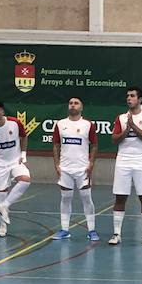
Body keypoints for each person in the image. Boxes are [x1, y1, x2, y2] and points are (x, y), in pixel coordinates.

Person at [110, 87, 142, 246]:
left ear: (140, 99)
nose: (129, 98)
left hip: (141, 160)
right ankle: (116, 234)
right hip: (123, 160)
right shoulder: (120, 118)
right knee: (120, 197)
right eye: (128, 96)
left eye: (132, 96)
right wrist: (126, 130)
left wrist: (133, 127)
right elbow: (114, 140)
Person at [0, 101, 31, 238]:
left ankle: (5, 205)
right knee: (1, 194)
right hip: (0, 164)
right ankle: (2, 227)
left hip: (15, 161)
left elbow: (24, 136)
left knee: (25, 180)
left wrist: (23, 154)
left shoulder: (14, 123)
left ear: (2, 111)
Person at [52, 96, 99, 241]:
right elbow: (55, 145)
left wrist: (91, 163)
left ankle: (92, 230)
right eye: (71, 103)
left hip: (82, 169)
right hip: (65, 169)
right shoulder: (60, 124)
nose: (73, 105)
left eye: (76, 103)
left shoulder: (87, 124)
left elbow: (95, 145)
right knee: (66, 198)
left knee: (86, 198)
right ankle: (64, 230)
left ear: (81, 107)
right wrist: (57, 165)